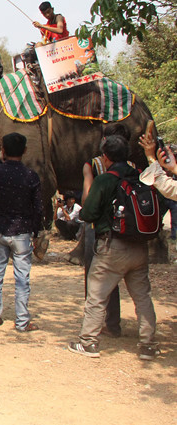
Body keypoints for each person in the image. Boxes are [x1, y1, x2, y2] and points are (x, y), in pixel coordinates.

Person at [68, 135, 159, 360]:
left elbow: (88, 213)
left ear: (105, 157)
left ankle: (88, 342)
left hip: (112, 247)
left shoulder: (105, 180)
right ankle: (148, 345)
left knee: (97, 296)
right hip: (139, 247)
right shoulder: (141, 176)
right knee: (142, 297)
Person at [0, 133, 42, 332]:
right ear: (25, 150)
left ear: (3, 150)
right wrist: (37, 232)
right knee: (22, 278)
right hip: (22, 231)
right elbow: (38, 207)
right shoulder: (30, 176)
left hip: (0, 228)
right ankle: (22, 320)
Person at [79, 123, 128, 336]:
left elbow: (86, 200)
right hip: (128, 230)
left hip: (98, 229)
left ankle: (93, 328)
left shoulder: (93, 165)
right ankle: (119, 326)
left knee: (96, 278)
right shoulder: (133, 167)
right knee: (137, 287)